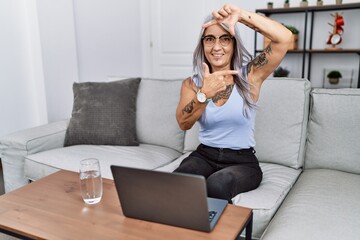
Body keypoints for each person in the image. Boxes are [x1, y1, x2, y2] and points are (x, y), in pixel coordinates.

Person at [174, 4, 292, 203]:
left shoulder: (250, 75)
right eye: (210, 39)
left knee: (218, 184)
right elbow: (183, 123)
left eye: (225, 39)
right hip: (204, 155)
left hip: (242, 161)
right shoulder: (192, 84)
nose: (217, 47)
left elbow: (285, 38)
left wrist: (241, 16)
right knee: (179, 181)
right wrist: (204, 94)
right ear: (202, 45)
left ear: (234, 44)